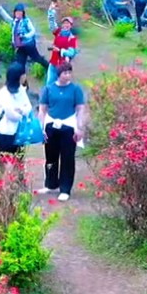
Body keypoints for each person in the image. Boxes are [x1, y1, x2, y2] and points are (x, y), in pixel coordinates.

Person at [37, 62, 86, 201]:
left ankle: (65, 188)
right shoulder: (48, 89)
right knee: (50, 157)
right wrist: (40, 128)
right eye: (65, 73)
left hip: (68, 125)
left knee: (67, 158)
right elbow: (42, 109)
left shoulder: (75, 89)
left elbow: (80, 108)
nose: (68, 75)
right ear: (59, 74)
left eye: (69, 72)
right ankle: (50, 183)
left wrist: (80, 127)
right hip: (52, 125)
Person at [0, 0, 49, 72]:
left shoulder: (26, 21)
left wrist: (25, 36)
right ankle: (22, 81)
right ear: (14, 13)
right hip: (20, 47)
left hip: (28, 45)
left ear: (23, 13)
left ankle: (49, 68)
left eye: (20, 13)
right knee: (20, 64)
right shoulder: (14, 22)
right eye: (17, 12)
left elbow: (33, 31)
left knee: (37, 58)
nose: (18, 14)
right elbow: (6, 17)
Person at [0, 63, 33, 157]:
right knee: (3, 161)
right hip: (6, 133)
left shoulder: (21, 90)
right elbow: (10, 114)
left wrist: (20, 110)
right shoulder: (4, 93)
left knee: (19, 163)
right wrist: (21, 114)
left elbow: (28, 107)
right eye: (23, 74)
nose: (25, 76)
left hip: (20, 132)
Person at [46, 3, 78, 86]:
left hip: (62, 67)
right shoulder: (58, 32)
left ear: (71, 26)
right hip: (53, 63)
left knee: (60, 85)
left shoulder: (72, 38)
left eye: (68, 24)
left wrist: (60, 51)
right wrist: (51, 11)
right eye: (64, 23)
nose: (66, 25)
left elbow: (71, 52)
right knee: (49, 84)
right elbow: (52, 24)